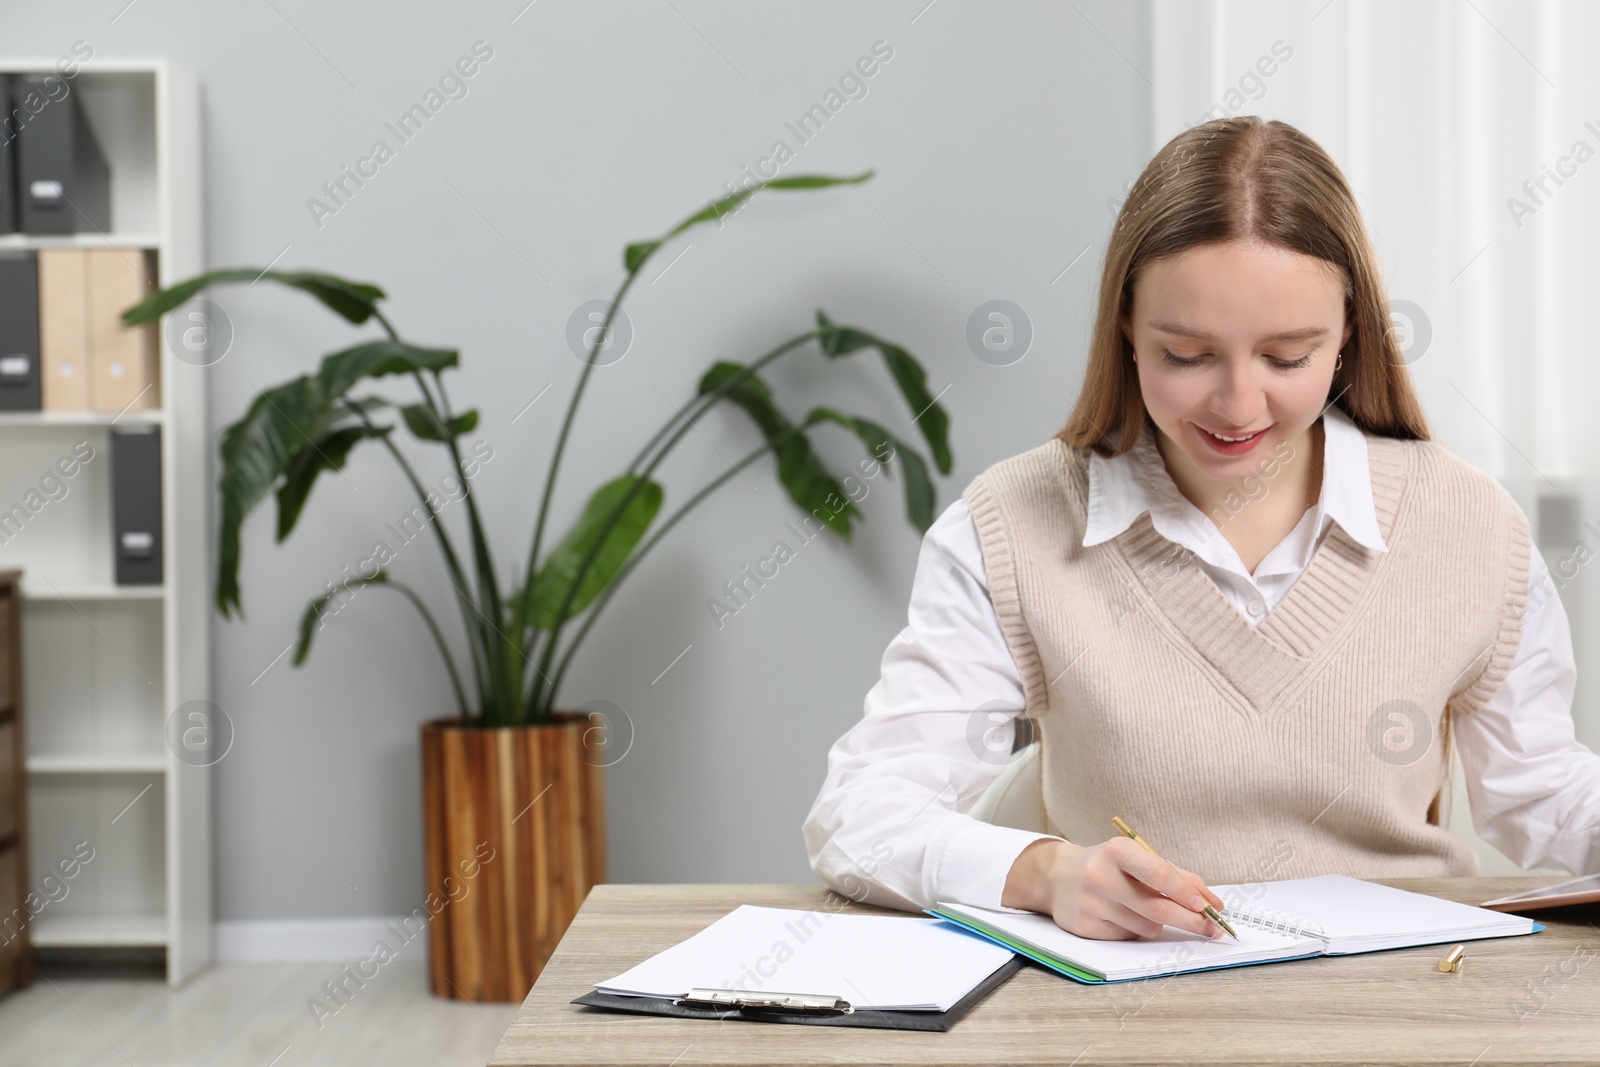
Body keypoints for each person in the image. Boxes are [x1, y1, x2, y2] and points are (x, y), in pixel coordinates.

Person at [802, 115, 1600, 942]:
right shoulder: (1013, 525)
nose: (1238, 406)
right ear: (1125, 325)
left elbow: (1540, 786)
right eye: (1186, 354)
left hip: (1404, 996)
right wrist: (1045, 871)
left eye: (1288, 357)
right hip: (1124, 1006)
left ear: (1351, 333)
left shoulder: (1467, 525)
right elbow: (859, 815)